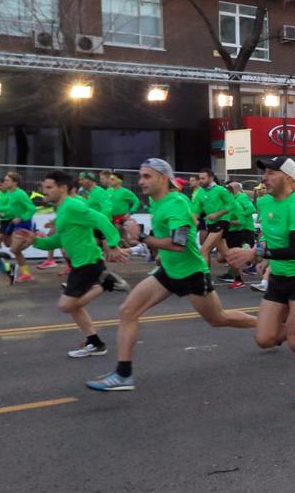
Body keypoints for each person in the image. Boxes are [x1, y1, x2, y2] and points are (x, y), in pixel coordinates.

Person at [86, 159, 257, 392]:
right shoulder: (157, 203)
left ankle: (270, 327)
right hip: (168, 271)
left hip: (191, 273)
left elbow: (178, 244)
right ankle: (123, 374)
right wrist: (132, 248)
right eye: (140, 175)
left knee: (218, 319)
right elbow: (159, 238)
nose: (140, 181)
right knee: (127, 310)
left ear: (163, 178)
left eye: (147, 176)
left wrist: (142, 237)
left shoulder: (176, 203)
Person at [227, 157, 295, 408]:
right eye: (264, 173)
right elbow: (269, 235)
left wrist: (256, 254)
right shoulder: (265, 201)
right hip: (279, 274)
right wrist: (262, 254)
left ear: (289, 179)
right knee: (265, 339)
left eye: (271, 173)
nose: (264, 178)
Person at [19, 170, 131, 357]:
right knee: (75, 306)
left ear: (62, 188)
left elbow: (101, 218)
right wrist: (35, 241)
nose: (44, 191)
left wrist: (112, 244)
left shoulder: (72, 206)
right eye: (43, 187)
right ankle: (95, 343)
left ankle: (104, 284)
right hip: (80, 263)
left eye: (48, 187)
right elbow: (58, 241)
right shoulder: (62, 209)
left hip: (88, 262)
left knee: (66, 306)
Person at [0, 171, 37, 282]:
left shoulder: (20, 194)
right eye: (5, 180)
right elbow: (9, 208)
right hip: (15, 223)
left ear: (15, 182)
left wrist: (21, 218)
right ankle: (26, 274)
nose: (5, 182)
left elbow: (32, 208)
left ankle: (35, 238)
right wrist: (1, 213)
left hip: (24, 223)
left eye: (7, 180)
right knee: (14, 249)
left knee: (14, 249)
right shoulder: (10, 193)